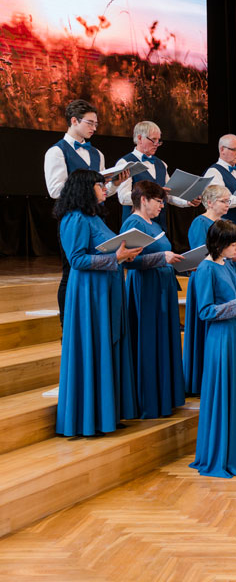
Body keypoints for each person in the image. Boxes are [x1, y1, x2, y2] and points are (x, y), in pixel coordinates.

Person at [54, 169, 142, 437]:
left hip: (106, 291)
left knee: (107, 348)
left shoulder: (94, 216)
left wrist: (124, 255)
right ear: (84, 187)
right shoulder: (74, 218)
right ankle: (89, 418)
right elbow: (77, 260)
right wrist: (116, 258)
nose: (106, 189)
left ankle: (106, 414)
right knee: (93, 349)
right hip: (89, 295)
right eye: (100, 185)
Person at [189, 220, 236, 478]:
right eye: (234, 244)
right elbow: (205, 311)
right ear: (220, 244)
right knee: (226, 393)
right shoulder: (205, 269)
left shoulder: (229, 265)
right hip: (222, 340)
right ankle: (224, 455)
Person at [44, 99, 125, 323]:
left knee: (97, 263)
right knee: (70, 269)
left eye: (96, 124)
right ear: (73, 121)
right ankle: (67, 325)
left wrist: (115, 183)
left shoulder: (97, 153)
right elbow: (55, 190)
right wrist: (85, 187)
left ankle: (92, 319)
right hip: (73, 217)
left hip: (95, 217)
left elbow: (101, 189)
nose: (94, 128)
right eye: (90, 123)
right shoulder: (57, 152)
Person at [120, 180, 186, 419]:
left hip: (162, 286)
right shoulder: (133, 223)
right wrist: (161, 258)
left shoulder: (154, 223)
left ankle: (165, 396)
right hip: (146, 288)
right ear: (143, 200)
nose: (161, 206)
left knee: (164, 339)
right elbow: (129, 261)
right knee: (149, 340)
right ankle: (149, 400)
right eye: (158, 201)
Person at [183, 185, 236, 396]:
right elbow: (200, 254)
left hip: (225, 277)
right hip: (208, 283)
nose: (228, 205)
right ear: (209, 202)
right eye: (223, 201)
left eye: (229, 201)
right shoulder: (200, 223)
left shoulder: (225, 229)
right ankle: (203, 378)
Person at [115, 121, 201, 230]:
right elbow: (123, 198)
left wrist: (188, 201)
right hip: (136, 225)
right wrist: (151, 195)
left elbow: (169, 194)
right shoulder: (126, 163)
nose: (156, 144)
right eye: (153, 140)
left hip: (159, 225)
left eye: (158, 140)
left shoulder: (161, 164)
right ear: (140, 138)